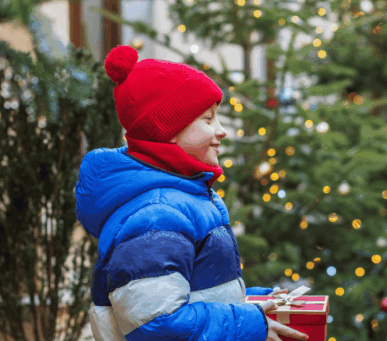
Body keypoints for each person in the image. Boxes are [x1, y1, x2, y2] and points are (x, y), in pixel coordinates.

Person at [76, 45, 308, 341]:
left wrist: (254, 303)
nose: (221, 130)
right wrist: (246, 323)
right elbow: (157, 322)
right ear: (168, 130)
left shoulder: (186, 198)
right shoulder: (158, 215)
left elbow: (190, 294)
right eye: (208, 119)